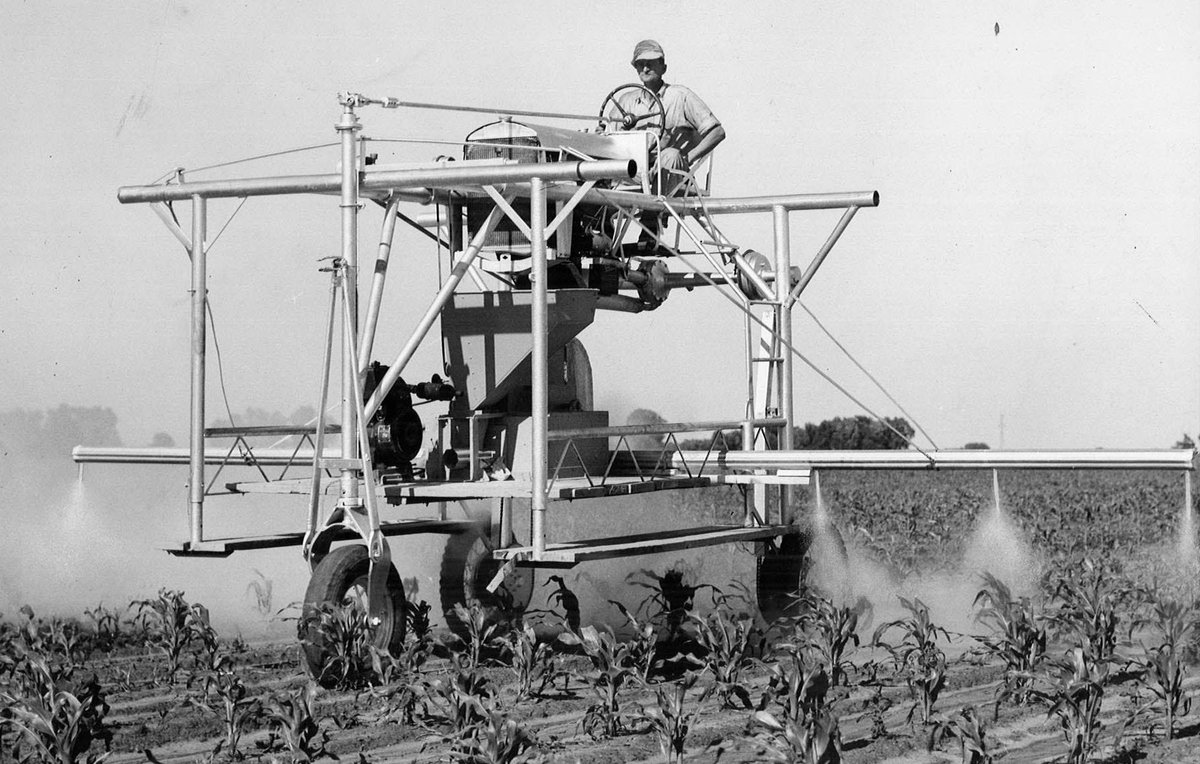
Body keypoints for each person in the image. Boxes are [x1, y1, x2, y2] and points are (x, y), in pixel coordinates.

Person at [615, 39, 725, 195]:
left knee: (671, 155)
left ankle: (652, 216)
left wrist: (687, 158)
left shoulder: (680, 96)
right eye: (640, 64)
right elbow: (606, 136)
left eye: (651, 63)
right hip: (633, 171)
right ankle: (591, 217)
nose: (645, 68)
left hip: (671, 172)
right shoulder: (626, 101)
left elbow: (717, 132)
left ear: (663, 68)